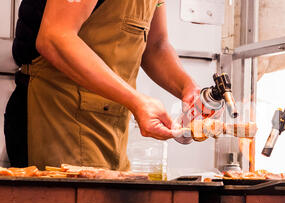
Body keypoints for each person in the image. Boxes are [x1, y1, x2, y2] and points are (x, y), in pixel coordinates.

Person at [5, 0, 200, 170]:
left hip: (110, 123)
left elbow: (155, 45)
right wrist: (137, 101)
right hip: (58, 115)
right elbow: (55, 38)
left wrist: (187, 87)